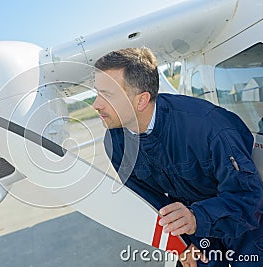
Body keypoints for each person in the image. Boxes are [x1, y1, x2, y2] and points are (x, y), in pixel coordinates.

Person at [92, 47, 263, 266]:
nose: (96, 104)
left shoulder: (210, 127)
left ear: (141, 100)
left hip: (244, 221)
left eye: (107, 95)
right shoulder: (115, 143)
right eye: (97, 93)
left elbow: (248, 197)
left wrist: (196, 218)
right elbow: (148, 202)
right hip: (191, 228)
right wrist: (179, 244)